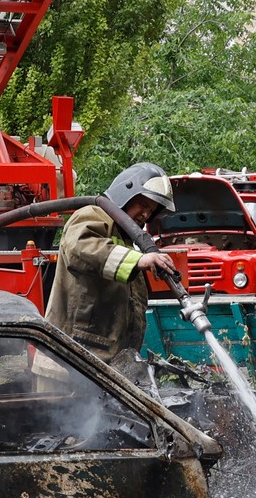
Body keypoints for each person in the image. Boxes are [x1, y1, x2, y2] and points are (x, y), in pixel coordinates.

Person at [45, 162, 179, 378]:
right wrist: (138, 261)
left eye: (151, 210)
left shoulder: (124, 239)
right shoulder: (93, 214)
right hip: (69, 362)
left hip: (100, 363)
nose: (145, 214)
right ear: (125, 193)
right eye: (142, 204)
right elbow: (80, 247)